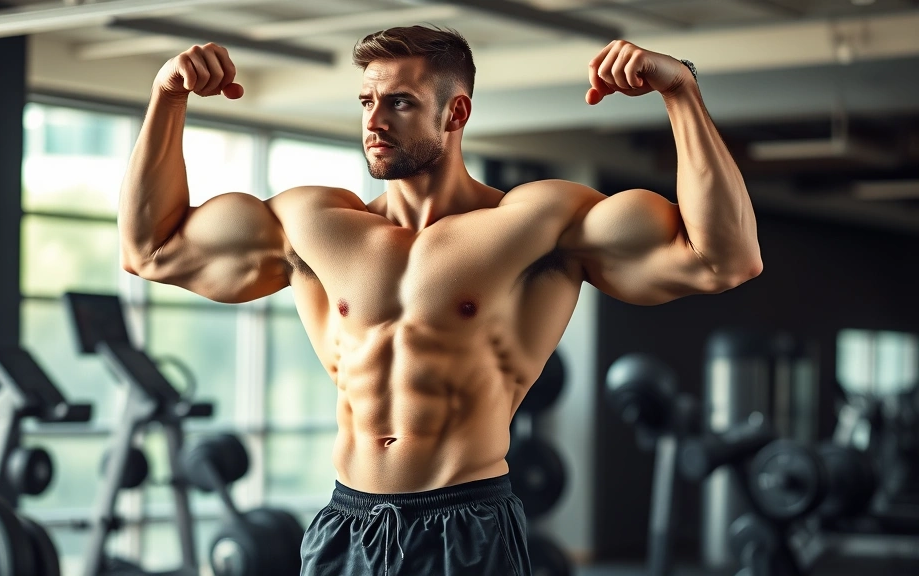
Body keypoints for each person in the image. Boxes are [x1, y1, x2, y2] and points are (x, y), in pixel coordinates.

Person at [118, 25, 762, 576]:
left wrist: (681, 93)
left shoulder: (536, 222)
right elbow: (151, 250)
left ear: (455, 113)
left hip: (465, 525)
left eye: (399, 102)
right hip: (347, 523)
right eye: (366, 100)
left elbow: (724, 259)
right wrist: (167, 97)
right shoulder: (312, 223)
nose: (374, 121)